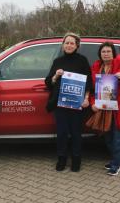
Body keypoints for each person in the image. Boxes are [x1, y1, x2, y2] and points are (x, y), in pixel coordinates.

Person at [90, 42, 120, 176]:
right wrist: (93, 102)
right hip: (105, 109)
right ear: (100, 54)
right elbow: (93, 89)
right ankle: (117, 161)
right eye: (103, 52)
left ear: (113, 53)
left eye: (108, 51)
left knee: (118, 138)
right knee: (108, 137)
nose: (106, 54)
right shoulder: (96, 67)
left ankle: (116, 164)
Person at [45, 32, 92, 172]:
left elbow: (89, 81)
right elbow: (48, 83)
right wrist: (55, 76)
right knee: (62, 133)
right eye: (67, 43)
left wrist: (86, 98)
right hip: (61, 104)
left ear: (77, 45)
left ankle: (76, 159)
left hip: (77, 104)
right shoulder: (57, 61)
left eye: (72, 43)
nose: (69, 45)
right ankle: (62, 158)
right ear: (63, 45)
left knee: (76, 133)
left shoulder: (82, 60)